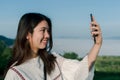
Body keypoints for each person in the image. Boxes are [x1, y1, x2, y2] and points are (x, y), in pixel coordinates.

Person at [4, 12, 102, 80]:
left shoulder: (54, 61)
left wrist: (97, 44)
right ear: (27, 34)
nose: (48, 35)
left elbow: (81, 72)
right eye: (43, 30)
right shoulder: (15, 73)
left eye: (48, 31)